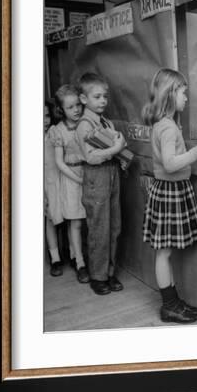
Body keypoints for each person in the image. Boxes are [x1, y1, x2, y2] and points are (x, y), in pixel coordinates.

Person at [142, 68, 197, 324]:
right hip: (169, 192)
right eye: (183, 91)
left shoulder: (166, 124)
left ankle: (173, 301)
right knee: (163, 252)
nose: (187, 96)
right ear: (170, 93)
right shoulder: (167, 128)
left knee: (166, 252)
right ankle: (169, 306)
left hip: (170, 191)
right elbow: (171, 163)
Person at [76, 72, 127, 295]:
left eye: (105, 96)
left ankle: (109, 272)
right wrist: (115, 149)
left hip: (112, 174)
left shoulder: (105, 121)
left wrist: (121, 157)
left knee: (114, 226)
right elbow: (91, 157)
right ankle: (98, 276)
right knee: (99, 228)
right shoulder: (84, 126)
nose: (103, 101)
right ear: (84, 99)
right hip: (96, 177)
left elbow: (112, 149)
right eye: (97, 97)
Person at [51, 85, 90, 284]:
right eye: (70, 107)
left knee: (88, 220)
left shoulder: (87, 123)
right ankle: (80, 263)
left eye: (77, 105)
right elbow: (59, 162)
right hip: (71, 177)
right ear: (61, 110)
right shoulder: (58, 131)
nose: (76, 110)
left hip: (89, 173)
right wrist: (77, 179)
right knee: (75, 221)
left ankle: (82, 255)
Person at [44, 101, 64, 277]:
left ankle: (74, 256)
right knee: (50, 220)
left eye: (47, 115)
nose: (44, 120)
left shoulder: (54, 131)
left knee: (69, 218)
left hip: (60, 180)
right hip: (45, 185)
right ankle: (55, 258)